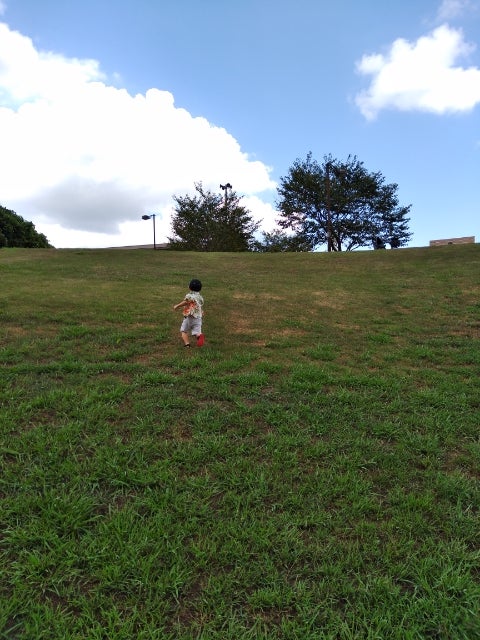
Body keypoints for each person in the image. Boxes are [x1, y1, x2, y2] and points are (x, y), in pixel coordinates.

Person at [173, 279, 205, 348]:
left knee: (184, 331)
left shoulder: (189, 295)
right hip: (198, 317)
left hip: (190, 317)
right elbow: (199, 305)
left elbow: (186, 302)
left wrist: (177, 306)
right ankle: (199, 336)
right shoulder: (200, 297)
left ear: (189, 287)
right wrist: (201, 311)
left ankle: (187, 344)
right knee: (197, 331)